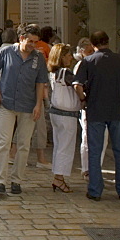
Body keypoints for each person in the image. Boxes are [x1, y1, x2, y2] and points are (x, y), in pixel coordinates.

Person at [0, 24, 49, 194]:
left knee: (23, 144)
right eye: (30, 41)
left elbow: (40, 82)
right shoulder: (6, 53)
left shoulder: (38, 57)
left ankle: (16, 180)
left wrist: (38, 104)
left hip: (28, 106)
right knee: (3, 143)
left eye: (35, 42)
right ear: (21, 38)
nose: (33, 45)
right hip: (7, 103)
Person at [75, 31, 120, 201]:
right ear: (108, 42)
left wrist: (83, 99)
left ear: (92, 44)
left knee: (95, 151)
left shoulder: (88, 61)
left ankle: (95, 190)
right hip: (118, 110)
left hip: (96, 111)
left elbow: (77, 85)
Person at [47, 44, 81, 193]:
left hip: (56, 112)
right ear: (62, 57)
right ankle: (59, 178)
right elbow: (77, 86)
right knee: (65, 147)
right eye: (68, 55)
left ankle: (57, 175)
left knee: (59, 145)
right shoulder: (66, 73)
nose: (71, 58)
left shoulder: (53, 72)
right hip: (66, 114)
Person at [73, 37, 101, 179]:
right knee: (87, 137)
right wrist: (83, 99)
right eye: (89, 51)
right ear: (83, 52)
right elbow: (78, 85)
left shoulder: (96, 62)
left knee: (101, 138)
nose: (91, 53)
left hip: (98, 104)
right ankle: (86, 168)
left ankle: (96, 168)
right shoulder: (81, 65)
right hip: (87, 105)